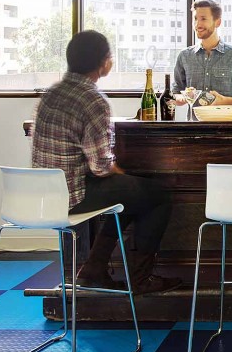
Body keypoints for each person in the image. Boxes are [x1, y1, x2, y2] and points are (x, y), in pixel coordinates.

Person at [32, 30, 181, 295]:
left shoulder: (51, 93)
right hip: (73, 195)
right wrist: (122, 175)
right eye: (110, 56)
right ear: (103, 63)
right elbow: (101, 167)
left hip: (41, 193)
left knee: (129, 195)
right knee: (156, 195)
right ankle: (141, 279)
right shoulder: (93, 100)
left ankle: (93, 269)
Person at [172, 0, 232, 106]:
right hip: (194, 122)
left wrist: (226, 101)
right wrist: (181, 97)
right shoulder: (184, 56)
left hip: (227, 122)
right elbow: (176, 92)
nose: (197, 24)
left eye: (203, 19)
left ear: (217, 22)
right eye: (195, 19)